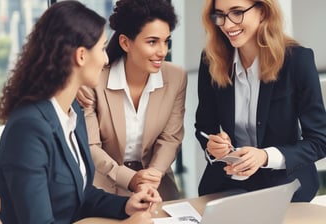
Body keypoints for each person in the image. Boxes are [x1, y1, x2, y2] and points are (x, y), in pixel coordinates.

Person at [0, 1, 161, 224]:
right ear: (81, 55)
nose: (106, 59)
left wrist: (126, 204)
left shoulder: (73, 111)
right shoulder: (28, 129)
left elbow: (81, 195)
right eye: (102, 48)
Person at [195, 0, 326, 202]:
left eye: (237, 12)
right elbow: (204, 128)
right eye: (219, 15)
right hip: (226, 186)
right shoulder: (211, 61)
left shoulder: (297, 61)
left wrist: (264, 157)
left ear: (263, 12)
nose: (227, 25)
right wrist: (213, 148)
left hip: (285, 188)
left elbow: (319, 140)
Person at [76, 0, 187, 201]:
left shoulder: (176, 77)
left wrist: (153, 175)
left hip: (157, 189)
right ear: (126, 43)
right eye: (152, 42)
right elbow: (91, 146)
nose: (162, 51)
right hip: (103, 191)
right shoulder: (94, 82)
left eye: (166, 41)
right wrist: (130, 179)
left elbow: (171, 138)